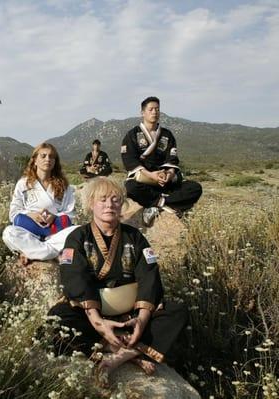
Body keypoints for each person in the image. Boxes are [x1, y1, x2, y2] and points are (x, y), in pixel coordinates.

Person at [48, 177, 187, 382]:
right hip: (93, 313)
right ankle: (128, 348)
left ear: (122, 204)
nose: (109, 204)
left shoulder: (135, 237)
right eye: (102, 199)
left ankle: (121, 355)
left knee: (177, 311)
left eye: (115, 199)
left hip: (129, 314)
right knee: (56, 319)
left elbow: (149, 275)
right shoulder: (77, 237)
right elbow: (74, 277)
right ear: (91, 204)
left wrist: (141, 320)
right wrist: (98, 323)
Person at [122, 96, 202, 226]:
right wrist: (151, 175)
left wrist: (169, 174)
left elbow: (172, 159)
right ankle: (171, 204)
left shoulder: (166, 134)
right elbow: (129, 160)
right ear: (143, 112)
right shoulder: (132, 135)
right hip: (146, 179)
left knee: (195, 188)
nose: (155, 112)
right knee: (130, 187)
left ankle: (156, 203)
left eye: (157, 109)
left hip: (165, 181)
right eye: (151, 109)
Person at [2, 143, 79, 265]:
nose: (48, 159)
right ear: (35, 160)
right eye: (43, 156)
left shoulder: (64, 186)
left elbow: (71, 215)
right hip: (30, 233)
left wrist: (54, 217)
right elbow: (13, 214)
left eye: (51, 157)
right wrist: (31, 215)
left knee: (78, 230)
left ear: (55, 162)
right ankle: (55, 254)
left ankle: (31, 252)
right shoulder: (23, 183)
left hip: (55, 233)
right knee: (8, 232)